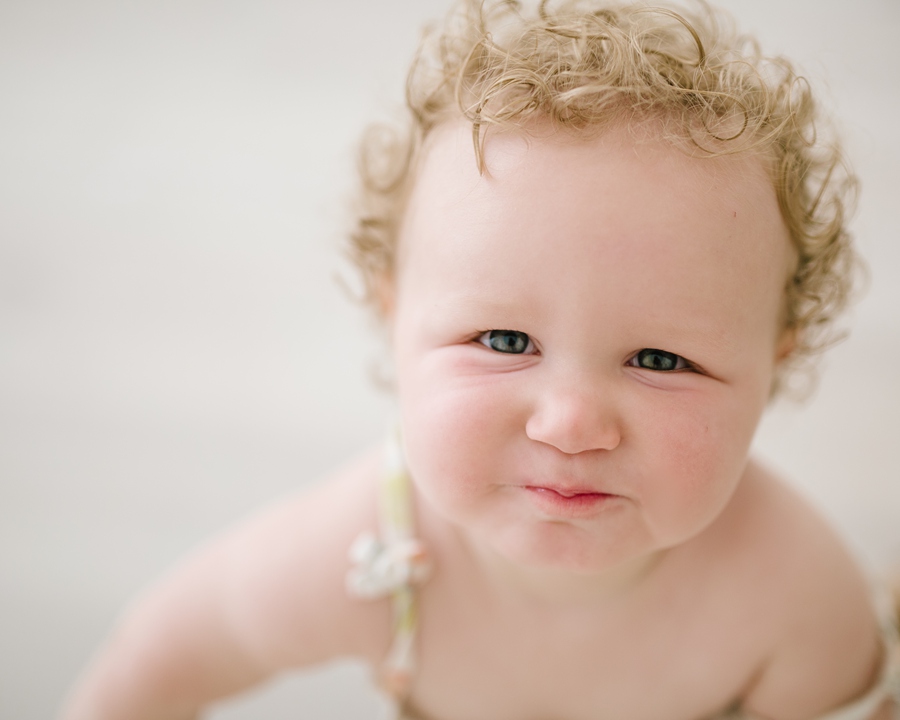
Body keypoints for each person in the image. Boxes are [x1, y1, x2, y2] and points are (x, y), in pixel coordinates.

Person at [61, 1, 900, 718]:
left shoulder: (795, 596)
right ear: (393, 316)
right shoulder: (369, 554)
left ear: (774, 364)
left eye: (658, 357)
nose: (571, 423)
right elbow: (154, 664)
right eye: (504, 342)